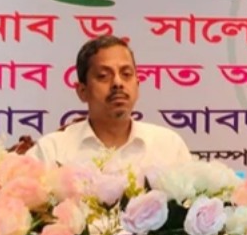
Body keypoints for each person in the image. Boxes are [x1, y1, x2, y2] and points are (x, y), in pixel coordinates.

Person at [28, 35, 192, 171]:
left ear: (137, 84)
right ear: (82, 91)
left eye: (126, 74)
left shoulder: (169, 147)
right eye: (103, 76)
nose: (118, 83)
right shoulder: (52, 151)